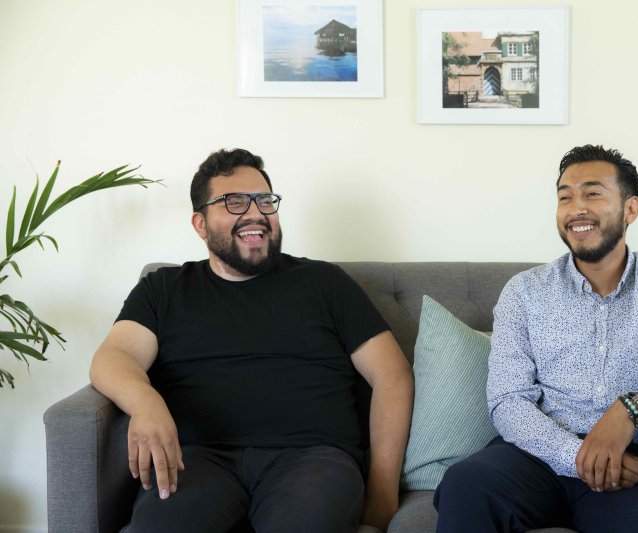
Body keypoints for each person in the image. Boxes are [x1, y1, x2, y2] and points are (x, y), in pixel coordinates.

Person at [434, 144, 638, 533]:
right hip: (533, 457)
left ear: (631, 209)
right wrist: (578, 455)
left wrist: (632, 408)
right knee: (464, 484)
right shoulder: (524, 292)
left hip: (630, 461)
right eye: (565, 197)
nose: (576, 209)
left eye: (592, 193)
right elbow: (508, 401)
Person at [89, 148, 414, 533]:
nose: (256, 213)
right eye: (235, 202)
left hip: (312, 460)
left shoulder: (325, 283)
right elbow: (113, 357)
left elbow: (392, 376)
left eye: (265, 201)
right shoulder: (163, 289)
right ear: (200, 223)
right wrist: (145, 402)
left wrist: (382, 495)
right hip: (196, 461)